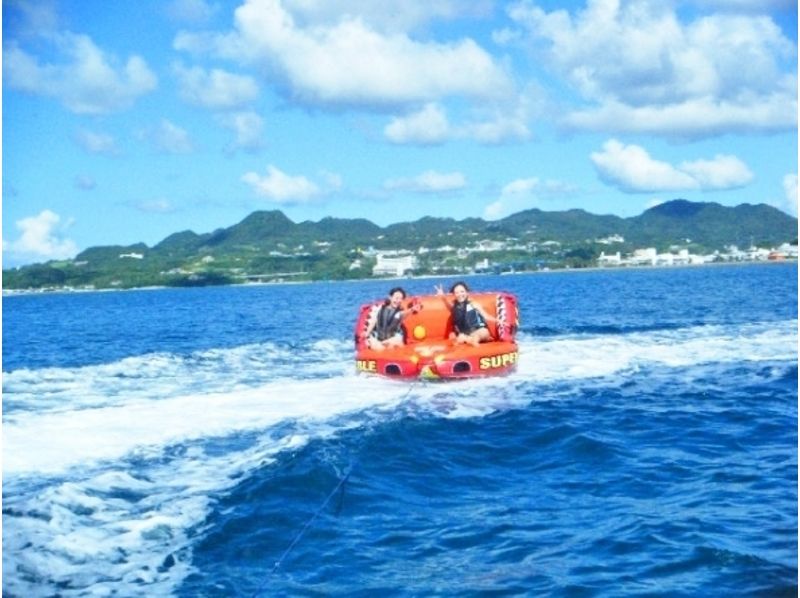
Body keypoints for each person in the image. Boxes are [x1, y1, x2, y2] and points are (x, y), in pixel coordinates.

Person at [435, 281, 497, 346]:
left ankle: (470, 340)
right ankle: (470, 340)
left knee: (481, 333)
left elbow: (486, 316)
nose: (460, 294)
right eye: (457, 292)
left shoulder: (473, 303)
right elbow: (448, 306)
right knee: (456, 338)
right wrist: (443, 297)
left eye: (462, 291)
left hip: (479, 330)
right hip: (467, 333)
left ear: (467, 292)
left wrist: (499, 321)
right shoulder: (454, 306)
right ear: (454, 294)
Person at [363, 287, 420, 351]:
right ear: (390, 297)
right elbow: (373, 321)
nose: (398, 300)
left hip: (392, 340)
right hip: (378, 339)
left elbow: (402, 314)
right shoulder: (379, 308)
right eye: (396, 298)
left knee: (397, 341)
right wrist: (367, 333)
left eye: (400, 299)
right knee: (377, 345)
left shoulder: (399, 312)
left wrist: (412, 309)